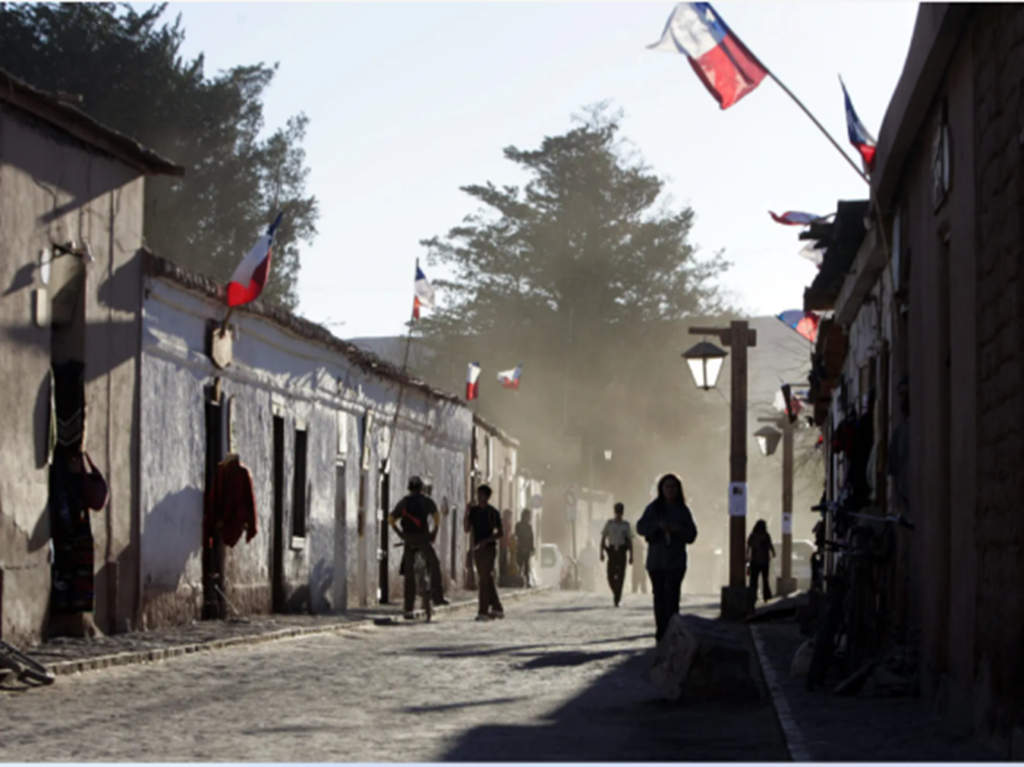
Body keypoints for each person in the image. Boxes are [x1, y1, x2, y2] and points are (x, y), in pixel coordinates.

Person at [636, 473, 698, 643]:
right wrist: (657, 526)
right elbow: (640, 527)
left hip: (676, 561)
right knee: (659, 597)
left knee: (672, 596)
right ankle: (661, 630)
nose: (670, 490)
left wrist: (678, 530)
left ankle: (672, 631)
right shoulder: (653, 508)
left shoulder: (683, 511)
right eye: (667, 487)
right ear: (661, 489)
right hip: (656, 561)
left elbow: (692, 534)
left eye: (673, 487)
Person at [388, 476, 448, 619]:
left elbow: (391, 519)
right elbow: (437, 517)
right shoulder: (427, 501)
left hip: (409, 539)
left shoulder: (404, 503)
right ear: (421, 488)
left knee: (409, 573)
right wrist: (434, 532)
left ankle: (409, 606)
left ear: (409, 488)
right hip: (423, 538)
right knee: (434, 563)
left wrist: (400, 533)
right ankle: (437, 595)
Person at [464, 485, 505, 620]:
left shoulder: (493, 513)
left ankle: (483, 611)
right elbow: (466, 529)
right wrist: (467, 511)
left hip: (489, 549)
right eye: (478, 494)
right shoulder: (474, 512)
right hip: (477, 549)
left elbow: (500, 533)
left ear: (487, 497)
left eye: (481, 494)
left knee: (483, 580)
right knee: (486, 578)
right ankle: (497, 607)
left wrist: (487, 541)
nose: (479, 497)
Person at [600, 502, 633, 607]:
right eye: (617, 512)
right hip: (612, 551)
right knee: (610, 575)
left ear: (622, 513)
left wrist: (632, 555)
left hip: (622, 551)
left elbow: (629, 541)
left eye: (620, 512)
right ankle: (616, 592)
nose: (619, 514)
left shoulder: (626, 525)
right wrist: (601, 552)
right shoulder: (610, 524)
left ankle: (617, 598)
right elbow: (603, 537)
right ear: (614, 512)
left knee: (620, 575)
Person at [746, 519, 776, 607]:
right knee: (765, 579)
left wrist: (747, 556)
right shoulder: (766, 535)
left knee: (754, 580)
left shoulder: (753, 535)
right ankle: (766, 596)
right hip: (764, 560)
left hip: (755, 560)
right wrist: (773, 552)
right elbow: (770, 545)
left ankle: (752, 597)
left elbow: (748, 546)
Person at [514, 509, 536, 587]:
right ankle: (521, 580)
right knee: (521, 565)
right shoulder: (521, 526)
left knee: (525, 565)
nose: (530, 518)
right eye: (529, 516)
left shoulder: (523, 526)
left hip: (524, 548)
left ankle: (525, 580)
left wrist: (532, 547)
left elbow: (531, 538)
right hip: (522, 548)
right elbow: (517, 536)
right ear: (525, 516)